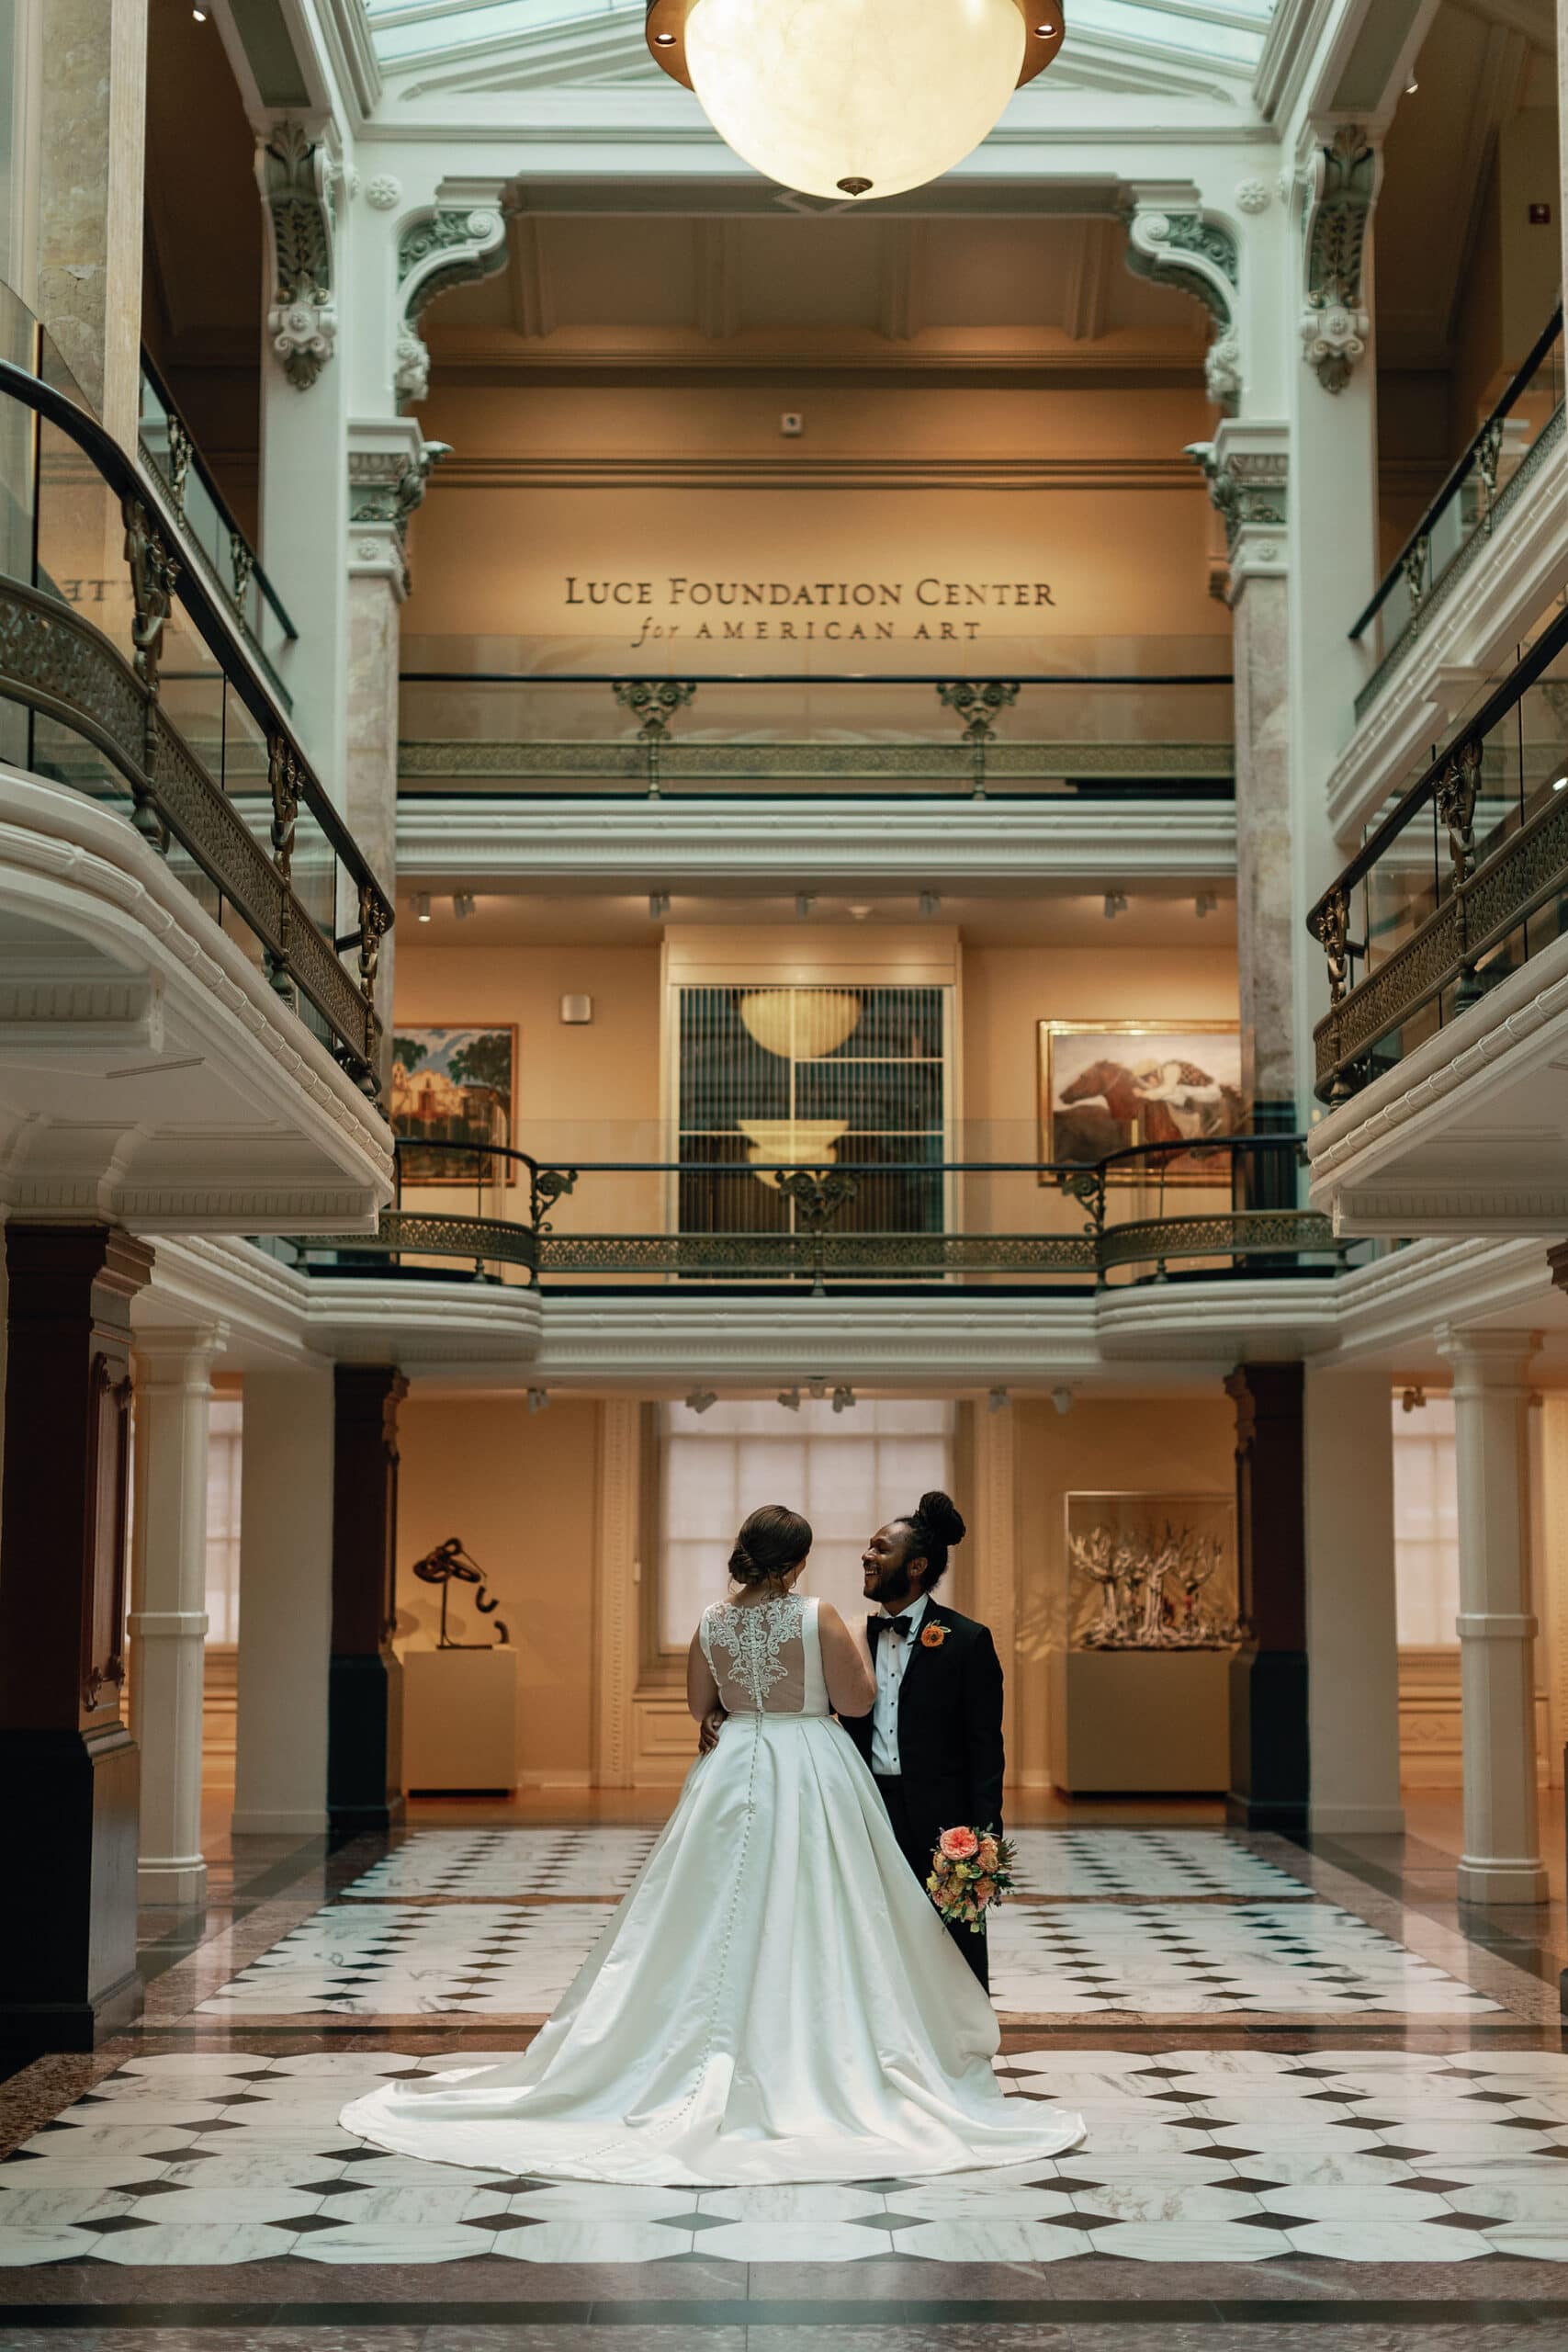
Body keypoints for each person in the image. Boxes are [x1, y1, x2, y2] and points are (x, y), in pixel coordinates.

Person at [340, 1503, 1081, 2187]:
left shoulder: (711, 1620)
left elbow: (701, 1704)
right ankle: (831, 2044)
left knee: (703, 1904)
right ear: (796, 1562)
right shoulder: (818, 1615)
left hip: (730, 1769)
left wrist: (735, 1710)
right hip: (807, 1765)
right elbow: (856, 1702)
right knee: (821, 1901)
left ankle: (670, 2046)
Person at [840, 1493, 1001, 1990]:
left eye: (880, 1548)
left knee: (955, 1940)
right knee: (874, 1937)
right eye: (869, 1546)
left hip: (944, 1820)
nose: (867, 1555)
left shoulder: (967, 1640)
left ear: (916, 1566)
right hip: (868, 1809)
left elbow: (985, 1749)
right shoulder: (849, 1638)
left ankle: (965, 2027)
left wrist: (985, 1840)